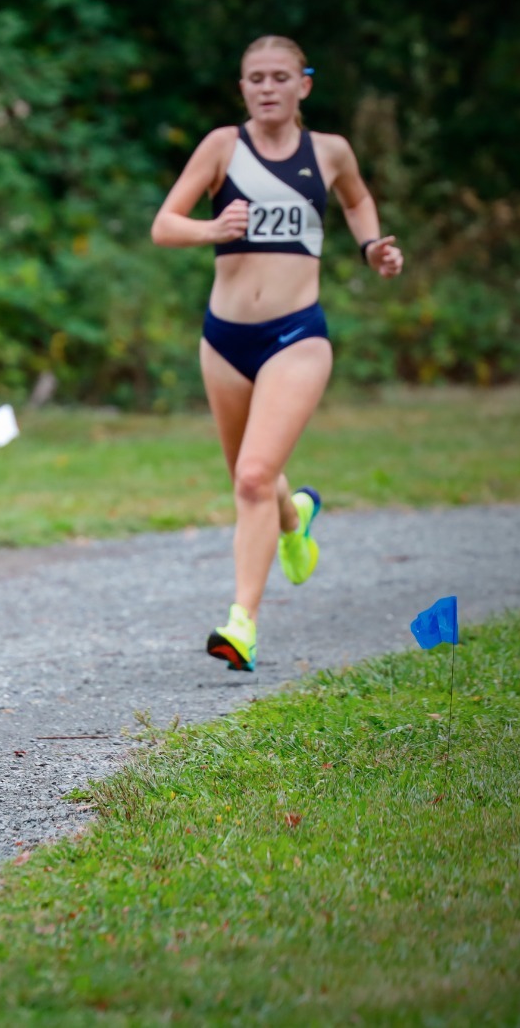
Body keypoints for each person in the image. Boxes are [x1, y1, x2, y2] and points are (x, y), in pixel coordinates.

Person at [149, 35, 404, 671]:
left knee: (254, 477)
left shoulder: (330, 152)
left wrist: (372, 245)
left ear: (303, 85)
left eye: (279, 77)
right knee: (249, 475)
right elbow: (164, 224)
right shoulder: (221, 148)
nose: (267, 87)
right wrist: (212, 228)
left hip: (297, 335)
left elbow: (358, 200)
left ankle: (243, 624)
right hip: (224, 340)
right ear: (243, 89)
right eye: (255, 78)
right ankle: (297, 519)